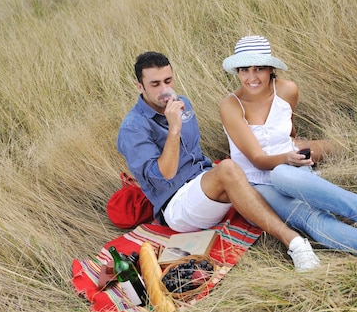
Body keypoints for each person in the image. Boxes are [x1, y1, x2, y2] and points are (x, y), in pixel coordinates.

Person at [117, 51, 321, 272]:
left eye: (168, 81)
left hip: (203, 183)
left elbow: (195, 155)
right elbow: (164, 175)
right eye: (155, 84)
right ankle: (295, 243)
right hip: (177, 205)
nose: (164, 90)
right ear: (140, 86)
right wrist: (173, 128)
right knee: (229, 169)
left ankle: (312, 207)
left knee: (249, 171)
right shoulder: (134, 128)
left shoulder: (182, 102)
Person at [219, 35, 357, 260]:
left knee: (284, 175)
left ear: (270, 69)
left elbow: (286, 127)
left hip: (291, 169)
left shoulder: (287, 91)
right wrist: (288, 157)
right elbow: (256, 158)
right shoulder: (231, 105)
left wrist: (294, 150)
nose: (252, 77)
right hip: (256, 181)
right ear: (237, 71)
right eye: (244, 70)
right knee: (308, 214)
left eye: (259, 69)